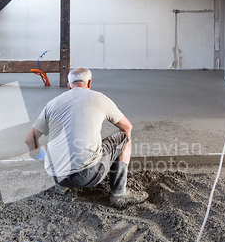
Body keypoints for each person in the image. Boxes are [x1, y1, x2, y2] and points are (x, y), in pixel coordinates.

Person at [24, 68, 148, 208]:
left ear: (69, 85)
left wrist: (45, 159)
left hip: (57, 177)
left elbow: (29, 139)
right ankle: (119, 193)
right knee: (125, 137)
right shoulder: (100, 98)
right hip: (87, 176)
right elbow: (127, 127)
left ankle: (62, 186)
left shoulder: (52, 104)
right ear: (89, 83)